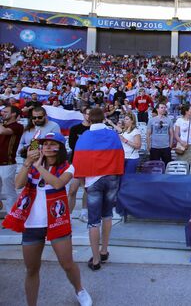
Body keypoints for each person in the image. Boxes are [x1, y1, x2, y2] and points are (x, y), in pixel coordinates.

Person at [3, 132, 92, 306]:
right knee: (31, 269)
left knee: (67, 264)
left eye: (53, 144)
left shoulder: (68, 166)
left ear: (60, 148)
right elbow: (18, 184)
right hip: (31, 223)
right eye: (45, 144)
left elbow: (57, 183)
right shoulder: (32, 165)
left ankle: (80, 290)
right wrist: (28, 163)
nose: (48, 147)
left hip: (56, 221)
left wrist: (39, 166)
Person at [72, 107, 124, 271]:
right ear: (103, 118)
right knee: (107, 214)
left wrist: (82, 183)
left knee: (93, 221)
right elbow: (120, 155)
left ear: (90, 119)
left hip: (93, 180)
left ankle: (95, 260)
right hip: (111, 178)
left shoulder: (85, 136)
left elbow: (78, 160)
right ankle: (104, 250)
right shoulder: (112, 134)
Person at [67, 107, 91, 222]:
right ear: (83, 114)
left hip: (91, 162)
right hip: (76, 161)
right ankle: (68, 215)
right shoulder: (75, 128)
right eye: (87, 114)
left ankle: (84, 212)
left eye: (91, 114)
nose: (89, 116)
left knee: (87, 189)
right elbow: (72, 145)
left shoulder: (94, 129)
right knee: (72, 189)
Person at [0, 105, 24, 211]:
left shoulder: (17, 126)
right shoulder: (3, 125)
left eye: (5, 111)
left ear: (14, 114)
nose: (2, 113)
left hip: (7, 164)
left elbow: (3, 132)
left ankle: (11, 217)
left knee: (9, 192)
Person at [146, 102, 173, 166]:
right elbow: (148, 134)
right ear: (157, 109)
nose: (163, 109)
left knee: (167, 166)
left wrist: (170, 145)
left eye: (164, 108)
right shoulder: (151, 120)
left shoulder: (169, 120)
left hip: (166, 147)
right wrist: (149, 145)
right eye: (162, 108)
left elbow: (171, 134)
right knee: (154, 167)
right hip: (154, 147)